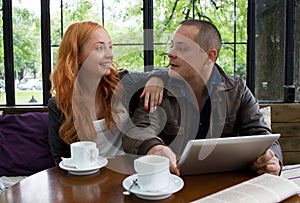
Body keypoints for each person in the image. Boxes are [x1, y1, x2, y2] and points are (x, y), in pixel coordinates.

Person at [122, 19, 283, 176]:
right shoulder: (159, 89)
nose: (170, 53)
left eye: (182, 48)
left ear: (210, 56)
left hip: (223, 185)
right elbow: (138, 130)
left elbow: (263, 135)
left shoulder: (237, 91)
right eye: (172, 46)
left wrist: (272, 160)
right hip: (172, 183)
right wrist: (155, 148)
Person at [48, 21, 166, 165]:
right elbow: (60, 159)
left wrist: (156, 78)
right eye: (99, 48)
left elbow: (166, 71)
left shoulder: (122, 81)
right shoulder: (58, 104)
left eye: (110, 47)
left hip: (130, 173)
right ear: (77, 56)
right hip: (90, 180)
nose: (110, 55)